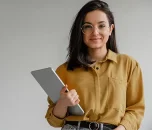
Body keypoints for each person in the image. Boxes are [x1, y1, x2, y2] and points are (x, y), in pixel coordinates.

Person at [44, 0, 145, 130]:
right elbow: (54, 121)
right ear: (81, 31)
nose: (95, 32)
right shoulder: (64, 70)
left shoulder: (129, 65)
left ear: (110, 29)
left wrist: (122, 128)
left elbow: (136, 109)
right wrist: (63, 103)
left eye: (101, 26)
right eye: (88, 26)